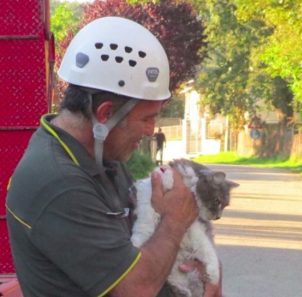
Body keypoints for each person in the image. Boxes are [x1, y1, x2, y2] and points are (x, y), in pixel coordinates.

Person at [6, 17, 221, 297]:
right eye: (147, 118)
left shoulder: (101, 158)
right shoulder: (57, 182)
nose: (151, 130)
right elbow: (136, 289)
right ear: (106, 114)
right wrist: (176, 218)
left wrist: (208, 270)